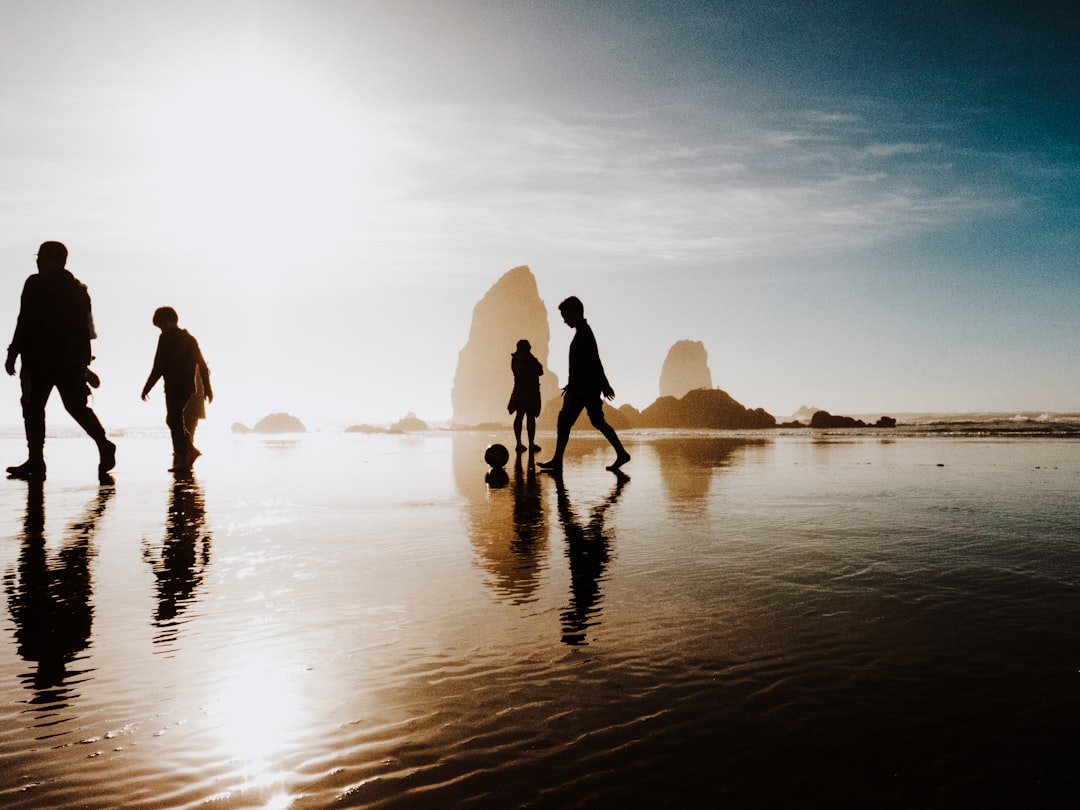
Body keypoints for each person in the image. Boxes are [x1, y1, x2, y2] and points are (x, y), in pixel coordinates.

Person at [5, 241, 116, 481]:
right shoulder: (79, 289)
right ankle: (104, 444)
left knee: (33, 408)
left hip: (39, 359)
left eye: (39, 257)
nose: (36, 261)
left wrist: (13, 352)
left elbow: (24, 321)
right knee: (76, 407)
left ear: (46, 258)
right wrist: (84, 362)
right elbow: (87, 329)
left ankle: (37, 460)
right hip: (70, 361)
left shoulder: (35, 284)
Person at [539, 296, 630, 472]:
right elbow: (590, 362)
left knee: (564, 421)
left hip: (581, 389)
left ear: (575, 313)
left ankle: (558, 460)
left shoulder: (584, 334)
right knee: (597, 421)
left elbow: (594, 361)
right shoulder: (583, 332)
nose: (564, 321)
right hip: (588, 387)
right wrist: (602, 384)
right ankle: (621, 453)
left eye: (565, 316)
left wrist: (604, 384)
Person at [141, 306, 212, 472]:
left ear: (167, 321)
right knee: (174, 420)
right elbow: (202, 365)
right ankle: (189, 449)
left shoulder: (165, 338)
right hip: (188, 387)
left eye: (160, 325)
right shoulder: (190, 338)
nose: (161, 329)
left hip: (173, 386)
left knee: (174, 419)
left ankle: (184, 456)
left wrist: (147, 387)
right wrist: (207, 388)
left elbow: (158, 366)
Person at [507, 338, 543, 454]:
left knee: (524, 416)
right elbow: (538, 370)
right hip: (525, 391)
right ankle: (524, 443)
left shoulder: (521, 359)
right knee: (525, 417)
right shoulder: (523, 360)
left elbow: (539, 370)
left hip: (524, 391)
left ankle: (525, 443)